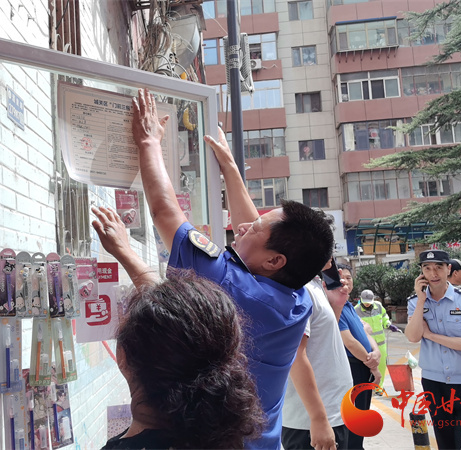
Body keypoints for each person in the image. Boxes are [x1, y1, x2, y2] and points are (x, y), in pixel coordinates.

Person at [130, 88, 335, 448]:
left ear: (275, 261)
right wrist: (229, 168)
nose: (242, 227)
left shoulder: (227, 283)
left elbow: (164, 212)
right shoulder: (297, 298)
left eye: (254, 229)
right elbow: (259, 239)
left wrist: (148, 141)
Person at [91, 207, 265, 449]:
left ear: (123, 357)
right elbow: (177, 322)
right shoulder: (223, 438)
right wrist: (125, 252)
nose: (244, 227)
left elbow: (176, 323)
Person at [405, 250, 461, 450]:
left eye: (439, 267)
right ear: (421, 272)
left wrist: (431, 335)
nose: (433, 273)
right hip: (434, 383)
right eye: (427, 268)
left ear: (448, 268)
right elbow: (413, 336)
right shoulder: (415, 301)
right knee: (444, 440)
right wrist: (421, 300)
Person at [282, 262, 353, 450]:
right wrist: (318, 419)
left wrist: (337, 305)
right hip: (311, 424)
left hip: (331, 414)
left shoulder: (315, 285)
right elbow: (295, 355)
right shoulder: (299, 289)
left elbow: (323, 339)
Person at [332, 265, 381, 450]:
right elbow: (350, 342)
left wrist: (376, 351)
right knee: (353, 419)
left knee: (361, 415)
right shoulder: (336, 308)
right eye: (341, 278)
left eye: (349, 278)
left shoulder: (349, 306)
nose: (345, 282)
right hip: (352, 368)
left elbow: (365, 331)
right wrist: (373, 365)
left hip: (363, 365)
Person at [354, 289, 398, 395]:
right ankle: (367, 387)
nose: (367, 304)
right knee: (367, 367)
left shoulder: (378, 306)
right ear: (361, 299)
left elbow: (384, 317)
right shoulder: (356, 310)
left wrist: (388, 324)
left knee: (381, 366)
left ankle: (379, 387)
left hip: (380, 343)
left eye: (369, 302)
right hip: (366, 345)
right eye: (365, 302)